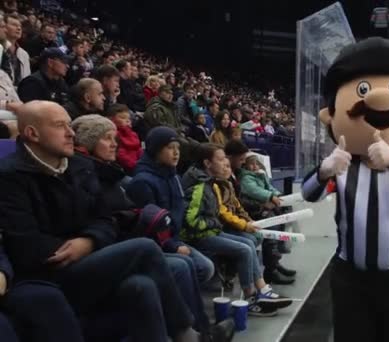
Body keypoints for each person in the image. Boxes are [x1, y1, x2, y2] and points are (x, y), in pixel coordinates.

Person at [0, 100, 212, 342]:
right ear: (32, 133)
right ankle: (187, 333)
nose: (71, 133)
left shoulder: (80, 166)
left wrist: (89, 240)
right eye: (60, 126)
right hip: (49, 273)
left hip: (90, 258)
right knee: (144, 248)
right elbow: (25, 244)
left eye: (70, 125)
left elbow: (105, 218)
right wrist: (79, 244)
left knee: (140, 285)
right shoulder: (9, 177)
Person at [301, 38, 389, 342]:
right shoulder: (343, 162)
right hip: (350, 276)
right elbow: (308, 193)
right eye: (362, 89)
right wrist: (325, 168)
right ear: (330, 113)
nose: (379, 98)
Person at [70, 114, 234, 342]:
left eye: (178, 147)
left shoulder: (126, 176)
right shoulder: (125, 180)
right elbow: (131, 222)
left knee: (182, 266)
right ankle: (193, 331)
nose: (115, 144)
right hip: (136, 247)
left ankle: (195, 329)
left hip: (147, 243)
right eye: (107, 138)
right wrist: (171, 243)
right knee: (183, 265)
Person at [181, 143, 292, 316]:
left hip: (211, 232)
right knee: (244, 249)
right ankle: (251, 298)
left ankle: (261, 291)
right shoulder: (199, 186)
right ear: (207, 163)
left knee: (248, 242)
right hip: (199, 237)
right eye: (221, 159)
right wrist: (214, 224)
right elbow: (191, 220)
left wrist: (245, 221)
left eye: (225, 157)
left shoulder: (211, 182)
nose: (225, 161)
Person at [126, 126, 215, 285]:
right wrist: (173, 246)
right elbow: (148, 226)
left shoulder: (173, 176)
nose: (176, 153)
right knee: (201, 267)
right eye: (170, 148)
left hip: (175, 238)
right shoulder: (142, 182)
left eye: (178, 148)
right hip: (157, 245)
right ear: (155, 150)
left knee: (206, 267)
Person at [238, 153, 297, 284]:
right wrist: (270, 196)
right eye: (251, 164)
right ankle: (271, 271)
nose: (254, 166)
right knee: (272, 229)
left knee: (281, 219)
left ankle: (275, 264)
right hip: (253, 211)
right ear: (245, 165)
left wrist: (276, 194)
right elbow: (254, 191)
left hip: (262, 208)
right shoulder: (246, 177)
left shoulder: (260, 174)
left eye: (256, 163)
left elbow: (269, 187)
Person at [107, 103, 143, 174]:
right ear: (111, 119)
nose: (127, 121)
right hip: (127, 169)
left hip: (138, 165)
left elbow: (138, 149)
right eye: (122, 118)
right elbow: (120, 154)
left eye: (128, 118)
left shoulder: (133, 134)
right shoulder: (114, 135)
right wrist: (136, 165)